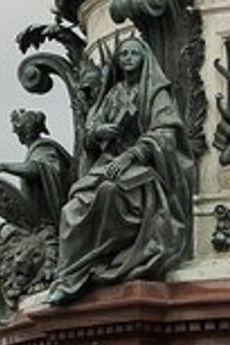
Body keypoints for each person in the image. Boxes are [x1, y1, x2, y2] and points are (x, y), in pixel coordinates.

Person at [45, 36, 194, 306]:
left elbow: (165, 132)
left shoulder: (155, 93)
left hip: (143, 168)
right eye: (123, 54)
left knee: (109, 193)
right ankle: (70, 276)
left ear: (144, 58)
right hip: (108, 163)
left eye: (133, 53)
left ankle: (107, 261)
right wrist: (98, 133)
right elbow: (91, 133)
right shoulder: (113, 94)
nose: (127, 58)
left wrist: (131, 155)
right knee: (70, 211)